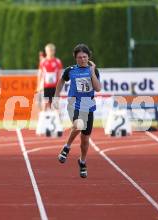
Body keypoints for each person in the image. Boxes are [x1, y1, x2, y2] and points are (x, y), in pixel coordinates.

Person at [54, 43, 101, 178]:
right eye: (79, 57)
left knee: (85, 140)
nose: (82, 59)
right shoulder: (70, 70)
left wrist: (92, 72)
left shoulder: (94, 70)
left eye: (85, 57)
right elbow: (61, 81)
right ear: (75, 58)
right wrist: (56, 97)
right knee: (78, 124)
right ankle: (67, 147)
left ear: (88, 57)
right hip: (74, 104)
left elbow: (98, 88)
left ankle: (82, 161)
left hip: (89, 106)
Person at [37, 43, 63, 110]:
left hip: (55, 87)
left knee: (55, 105)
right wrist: (39, 86)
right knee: (45, 104)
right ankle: (44, 119)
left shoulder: (58, 61)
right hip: (45, 87)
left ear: (54, 51)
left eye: (52, 50)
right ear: (46, 51)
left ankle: (57, 119)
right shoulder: (43, 62)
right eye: (49, 51)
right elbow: (40, 74)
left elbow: (60, 74)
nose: (50, 52)